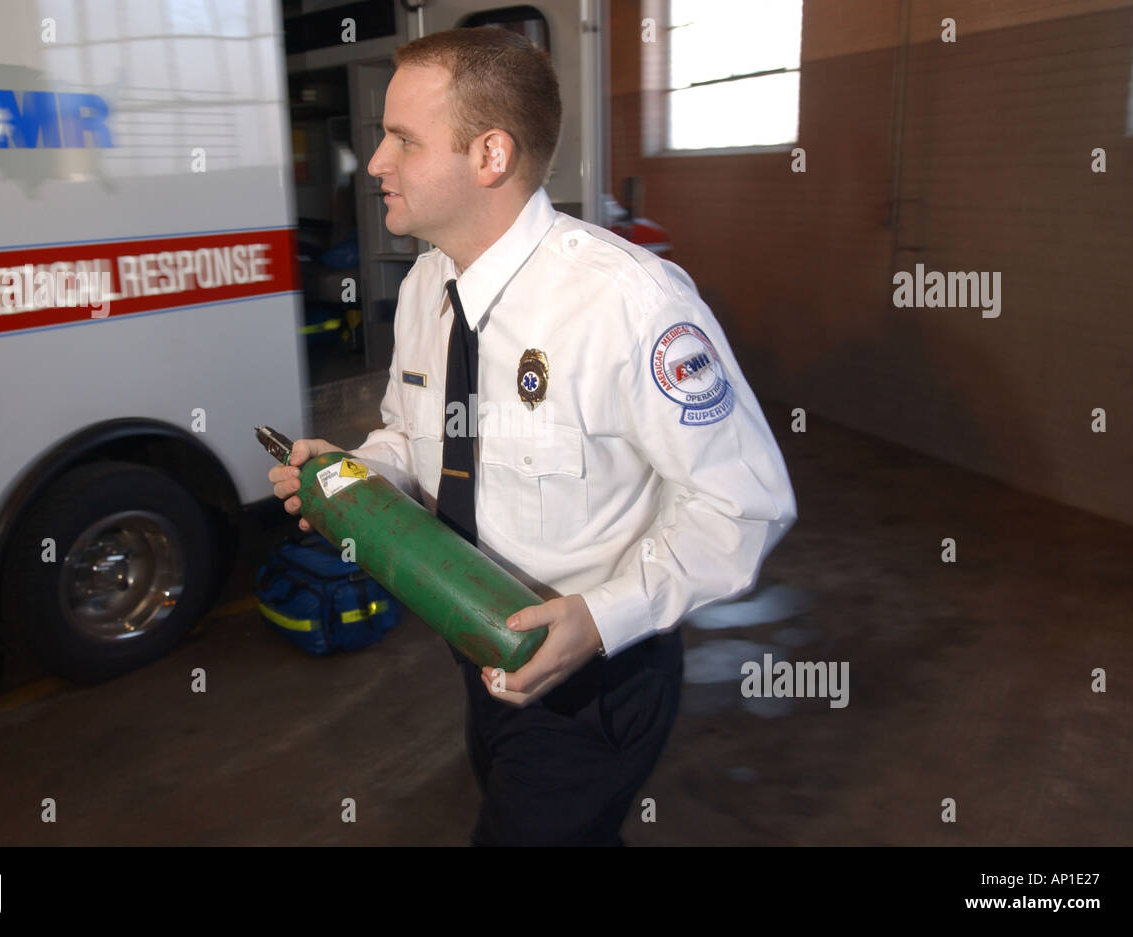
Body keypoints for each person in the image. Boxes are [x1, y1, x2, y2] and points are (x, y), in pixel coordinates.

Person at [270, 27, 796, 846]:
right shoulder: (425, 287)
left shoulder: (629, 304)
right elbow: (411, 440)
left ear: (490, 154)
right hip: (476, 644)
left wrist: (600, 616)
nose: (372, 163)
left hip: (596, 680)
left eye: (402, 139)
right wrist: (351, 475)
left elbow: (742, 505)